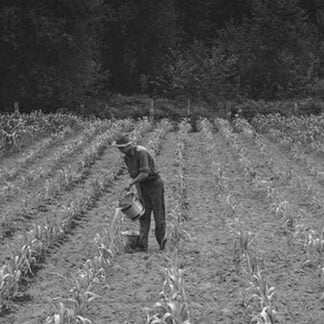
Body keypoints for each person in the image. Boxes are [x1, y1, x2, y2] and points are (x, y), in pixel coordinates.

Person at [112, 134, 167, 253]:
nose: (120, 150)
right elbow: (135, 175)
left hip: (155, 185)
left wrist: (131, 184)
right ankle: (143, 245)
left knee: (159, 215)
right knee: (143, 215)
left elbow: (144, 174)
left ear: (128, 145)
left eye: (122, 148)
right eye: (119, 148)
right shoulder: (127, 158)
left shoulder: (141, 153)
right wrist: (139, 194)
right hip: (143, 186)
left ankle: (162, 244)